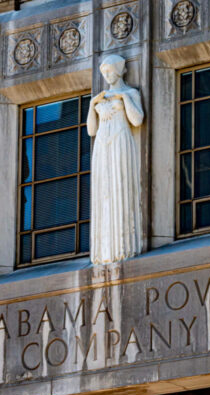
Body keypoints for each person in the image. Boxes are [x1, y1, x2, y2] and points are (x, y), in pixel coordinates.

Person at [86, 55, 145, 265]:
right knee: (105, 191)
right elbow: (91, 130)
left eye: (110, 70)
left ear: (120, 70)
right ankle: (104, 248)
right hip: (103, 144)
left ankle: (122, 245)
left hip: (120, 140)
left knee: (119, 185)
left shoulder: (130, 93)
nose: (107, 75)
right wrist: (93, 104)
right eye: (104, 72)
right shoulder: (100, 97)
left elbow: (137, 120)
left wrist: (123, 99)